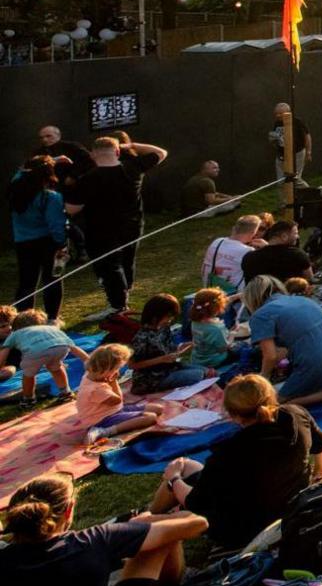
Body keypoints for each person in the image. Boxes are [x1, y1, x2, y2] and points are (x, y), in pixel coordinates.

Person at [0, 473, 209, 586]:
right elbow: (199, 524)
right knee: (162, 536)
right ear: (69, 510)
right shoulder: (93, 540)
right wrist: (147, 522)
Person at [149, 374, 322, 551]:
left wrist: (173, 479)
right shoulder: (296, 416)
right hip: (292, 506)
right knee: (187, 466)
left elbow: (195, 503)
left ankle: (146, 519)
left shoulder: (229, 453)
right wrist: (320, 473)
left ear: (234, 416)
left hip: (243, 531)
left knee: (179, 471)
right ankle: (149, 515)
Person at [64, 135, 166, 314]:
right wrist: (132, 145)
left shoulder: (88, 179)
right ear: (118, 151)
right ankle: (124, 296)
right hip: (132, 225)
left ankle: (117, 305)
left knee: (109, 265)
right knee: (127, 260)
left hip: (101, 229)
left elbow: (72, 209)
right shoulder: (133, 168)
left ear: (93, 155)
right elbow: (161, 152)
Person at [243, 275, 322, 407]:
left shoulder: (261, 315)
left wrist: (263, 378)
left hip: (318, 358)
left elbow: (270, 356)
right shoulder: (301, 299)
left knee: (272, 403)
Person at [9, 155, 67, 317]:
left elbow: (21, 171)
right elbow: (55, 225)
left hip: (23, 242)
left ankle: (23, 318)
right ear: (48, 173)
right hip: (48, 242)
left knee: (26, 283)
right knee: (53, 280)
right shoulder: (50, 197)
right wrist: (62, 244)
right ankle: (52, 318)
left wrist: (51, 160)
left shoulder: (15, 189)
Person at [75, 343, 165, 442]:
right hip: (100, 419)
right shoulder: (97, 390)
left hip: (113, 409)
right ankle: (105, 431)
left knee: (158, 408)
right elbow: (118, 399)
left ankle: (110, 426)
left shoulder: (91, 373)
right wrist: (114, 382)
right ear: (107, 369)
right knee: (150, 417)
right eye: (117, 368)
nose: (118, 371)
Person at [127, 294, 215, 394]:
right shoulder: (141, 338)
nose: (170, 319)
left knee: (207, 371)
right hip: (151, 378)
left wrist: (181, 347)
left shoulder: (164, 328)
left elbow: (168, 348)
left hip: (168, 368)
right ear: (156, 316)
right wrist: (161, 359)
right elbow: (132, 365)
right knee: (198, 374)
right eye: (168, 316)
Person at [5, 309, 87, 404]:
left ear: (17, 327)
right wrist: (87, 360)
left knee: (29, 375)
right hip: (60, 348)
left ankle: (28, 399)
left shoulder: (16, 334)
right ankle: (66, 392)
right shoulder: (52, 329)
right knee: (56, 367)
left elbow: (4, 352)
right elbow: (73, 347)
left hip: (35, 352)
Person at [239, 218, 313, 284]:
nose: (298, 237)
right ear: (284, 236)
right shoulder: (298, 255)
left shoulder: (249, 257)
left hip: (258, 298)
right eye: (296, 233)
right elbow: (310, 280)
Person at [187, 288, 231, 368]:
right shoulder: (216, 329)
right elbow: (223, 349)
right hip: (214, 362)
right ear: (216, 308)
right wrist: (233, 335)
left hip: (197, 359)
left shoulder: (195, 321)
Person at [268, 102, 311, 181]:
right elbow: (274, 139)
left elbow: (307, 136)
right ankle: (283, 192)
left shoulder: (297, 122)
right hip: (282, 154)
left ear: (288, 112)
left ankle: (309, 191)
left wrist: (308, 152)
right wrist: (273, 140)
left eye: (280, 113)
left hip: (297, 153)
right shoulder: (277, 123)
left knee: (295, 179)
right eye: (276, 114)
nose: (278, 116)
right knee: (281, 180)